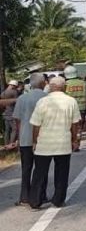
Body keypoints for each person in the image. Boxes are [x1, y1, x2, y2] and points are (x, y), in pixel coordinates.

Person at [28, 76, 81, 209]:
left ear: (50, 87)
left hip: (44, 143)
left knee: (39, 173)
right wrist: (75, 140)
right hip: (63, 143)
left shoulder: (42, 102)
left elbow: (36, 125)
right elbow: (75, 124)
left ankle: (35, 201)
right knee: (62, 173)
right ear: (64, 87)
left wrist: (34, 141)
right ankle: (58, 200)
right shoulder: (71, 101)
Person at [12, 73, 49, 207]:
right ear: (43, 83)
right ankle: (41, 195)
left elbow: (17, 120)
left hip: (25, 138)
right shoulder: (47, 98)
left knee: (26, 168)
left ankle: (24, 196)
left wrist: (18, 137)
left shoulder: (22, 98)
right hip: (43, 138)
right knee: (42, 168)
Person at [63, 66, 86, 148]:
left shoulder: (65, 84)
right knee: (79, 127)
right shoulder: (83, 83)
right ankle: (77, 144)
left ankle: (72, 143)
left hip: (69, 108)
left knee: (70, 126)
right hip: (81, 107)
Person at [2, 80, 19, 147]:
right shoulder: (14, 92)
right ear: (13, 86)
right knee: (14, 129)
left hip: (5, 113)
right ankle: (11, 145)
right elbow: (17, 102)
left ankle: (6, 144)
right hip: (12, 113)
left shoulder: (3, 93)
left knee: (7, 130)